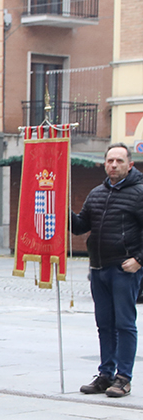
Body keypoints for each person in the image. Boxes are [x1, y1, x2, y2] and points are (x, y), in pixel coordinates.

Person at [71, 143, 143, 398]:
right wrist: (64, 214)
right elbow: (81, 226)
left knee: (124, 324)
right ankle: (105, 374)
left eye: (119, 161)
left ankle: (124, 377)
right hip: (98, 268)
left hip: (124, 268)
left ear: (130, 164)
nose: (114, 165)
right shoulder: (96, 193)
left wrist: (139, 260)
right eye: (110, 160)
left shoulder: (139, 192)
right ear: (104, 163)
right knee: (104, 324)